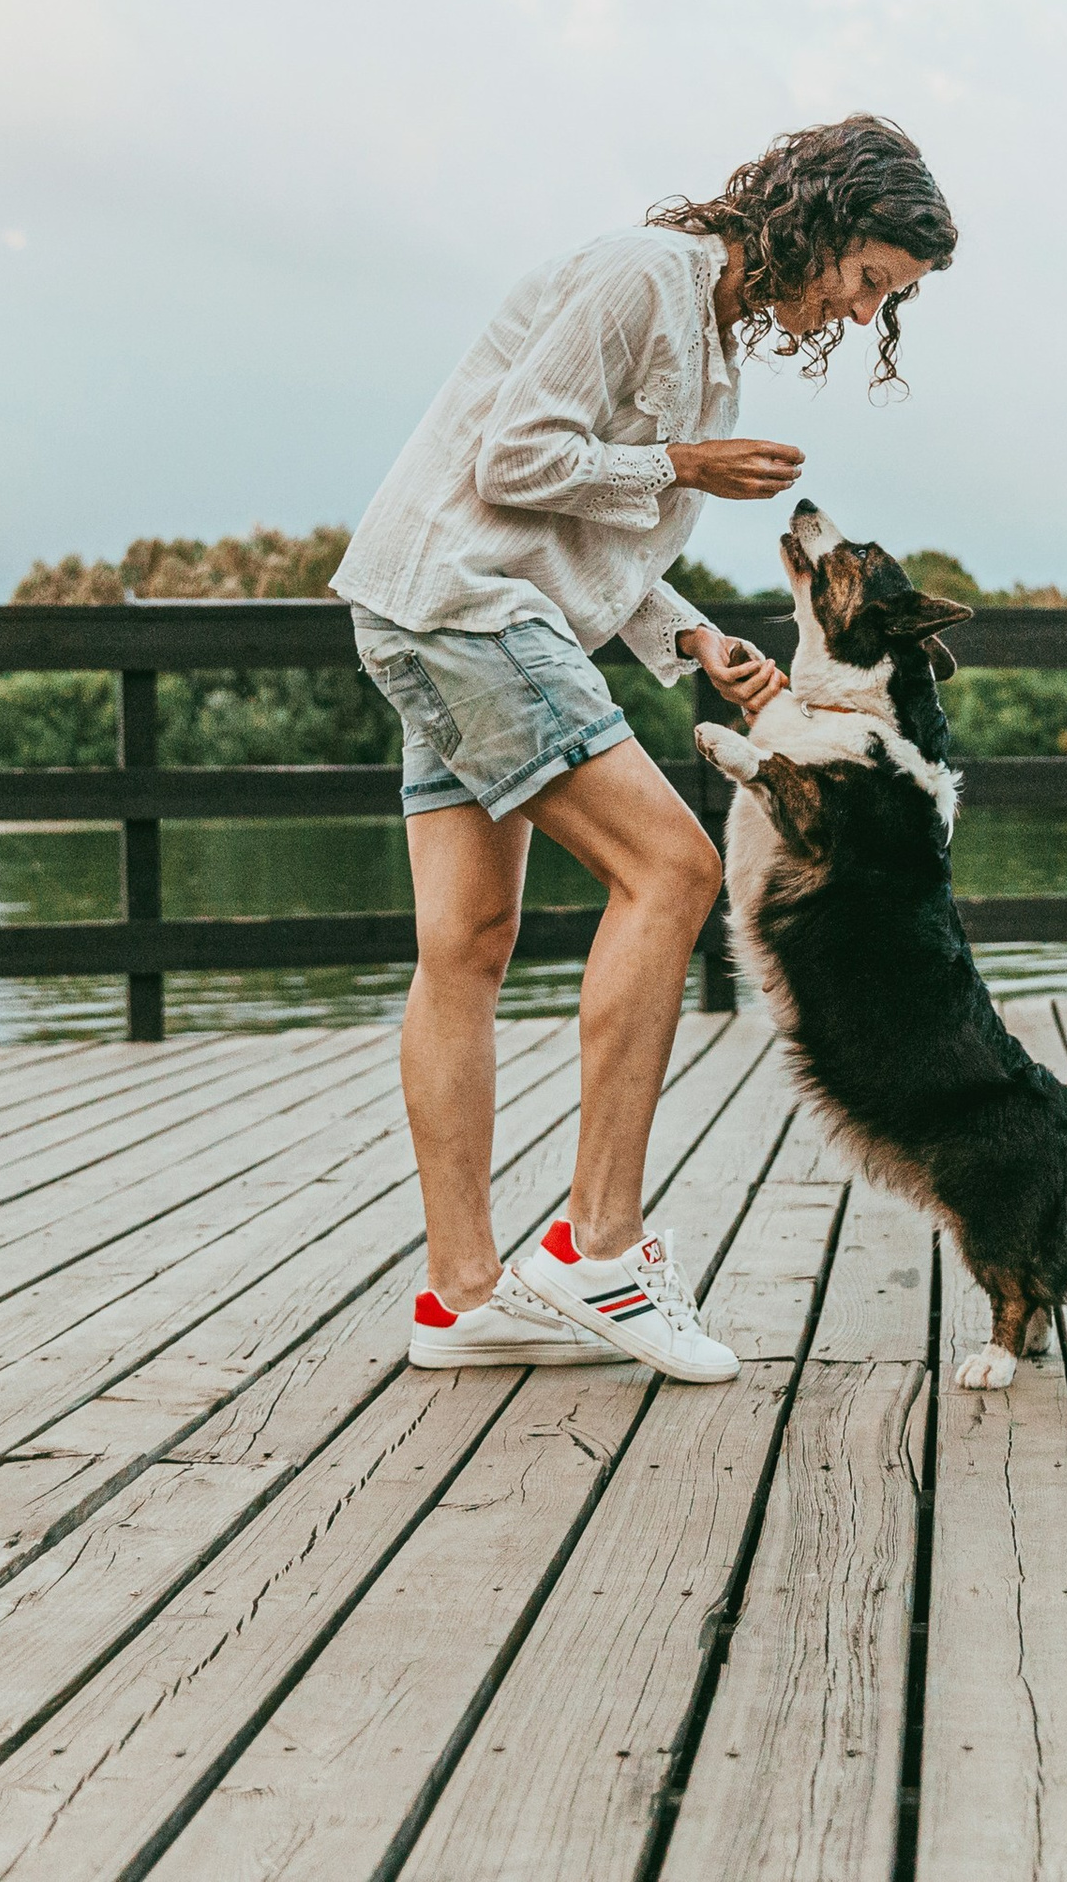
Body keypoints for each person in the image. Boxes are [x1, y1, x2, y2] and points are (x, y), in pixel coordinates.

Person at [336, 115, 958, 1382]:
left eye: (884, 300)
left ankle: (462, 1299)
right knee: (670, 873)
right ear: (827, 220)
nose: (856, 310)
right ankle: (603, 1254)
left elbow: (594, 546)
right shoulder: (642, 275)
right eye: (869, 279)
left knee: (466, 942)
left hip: (443, 602)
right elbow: (515, 461)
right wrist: (682, 461)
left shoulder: (712, 332)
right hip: (467, 604)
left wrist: (695, 645)